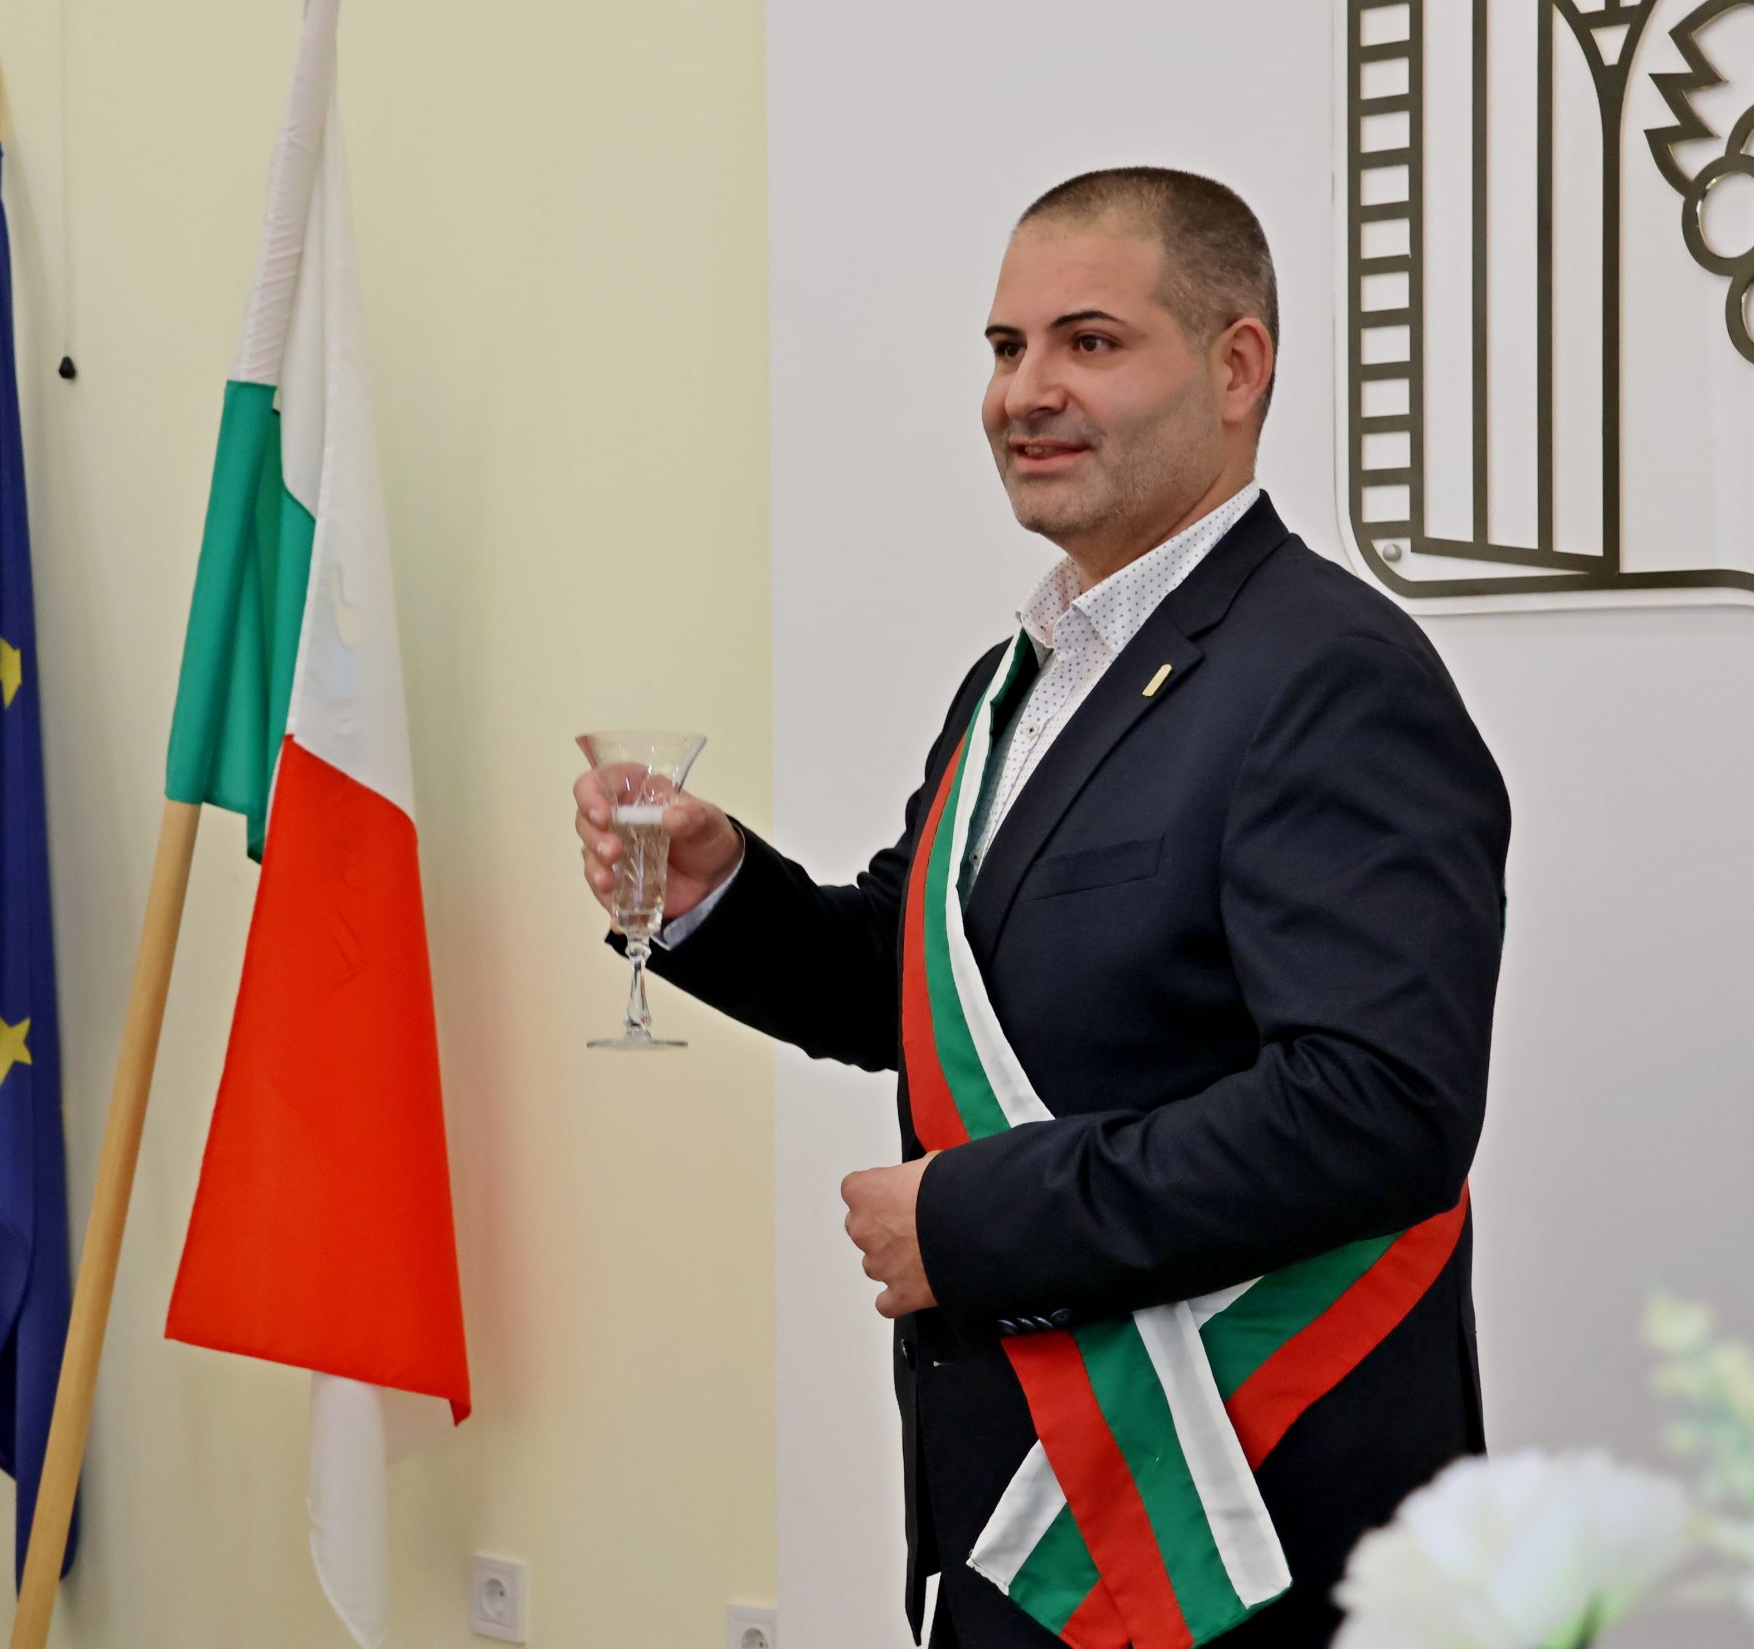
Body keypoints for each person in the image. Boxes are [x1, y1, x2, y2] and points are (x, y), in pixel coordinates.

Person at [573, 167, 1510, 1648]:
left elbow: (1378, 1108)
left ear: (1238, 369)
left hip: (1247, 1547)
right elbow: (923, 985)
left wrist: (972, 1220)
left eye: (1090, 342)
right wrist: (718, 893)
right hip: (1023, 1528)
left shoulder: (1334, 676)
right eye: (1007, 348)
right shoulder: (1022, 678)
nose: (1027, 393)